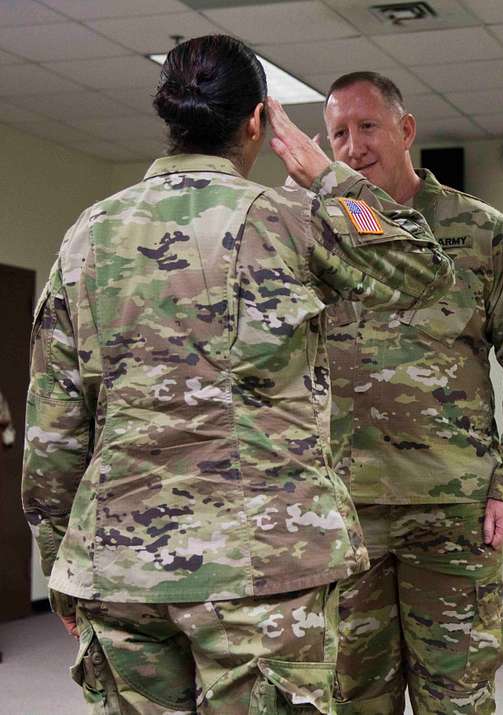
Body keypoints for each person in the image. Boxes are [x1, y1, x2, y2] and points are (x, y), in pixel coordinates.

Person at [21, 35, 454, 714]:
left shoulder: (87, 235)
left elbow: (53, 427)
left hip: (119, 566)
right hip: (264, 567)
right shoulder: (287, 222)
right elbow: (424, 267)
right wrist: (330, 179)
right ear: (256, 121)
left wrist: (61, 559)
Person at [321, 72, 503, 714]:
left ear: (406, 130)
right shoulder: (318, 238)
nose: (353, 147)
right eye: (338, 134)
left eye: (367, 127)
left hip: (453, 507)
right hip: (349, 512)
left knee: (455, 698)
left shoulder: (480, 231)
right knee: (351, 696)